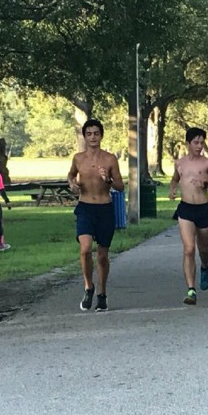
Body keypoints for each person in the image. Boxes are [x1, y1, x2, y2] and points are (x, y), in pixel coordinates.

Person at [67, 118, 124, 312]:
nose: (93, 137)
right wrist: (72, 184)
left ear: (101, 135)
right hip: (85, 208)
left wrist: (107, 178)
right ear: (84, 136)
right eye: (89, 134)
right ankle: (88, 286)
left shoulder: (109, 159)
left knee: (102, 255)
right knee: (85, 249)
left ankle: (102, 293)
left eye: (96, 133)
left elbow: (120, 186)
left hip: (104, 209)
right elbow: (70, 175)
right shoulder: (78, 158)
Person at [169, 127, 208, 305]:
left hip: (204, 210)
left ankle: (204, 267)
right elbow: (175, 179)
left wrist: (205, 183)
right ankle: (191, 290)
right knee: (188, 249)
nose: (199, 146)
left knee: (203, 248)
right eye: (196, 142)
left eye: (202, 143)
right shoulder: (180, 163)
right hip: (186, 209)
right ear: (187, 143)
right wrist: (172, 190)